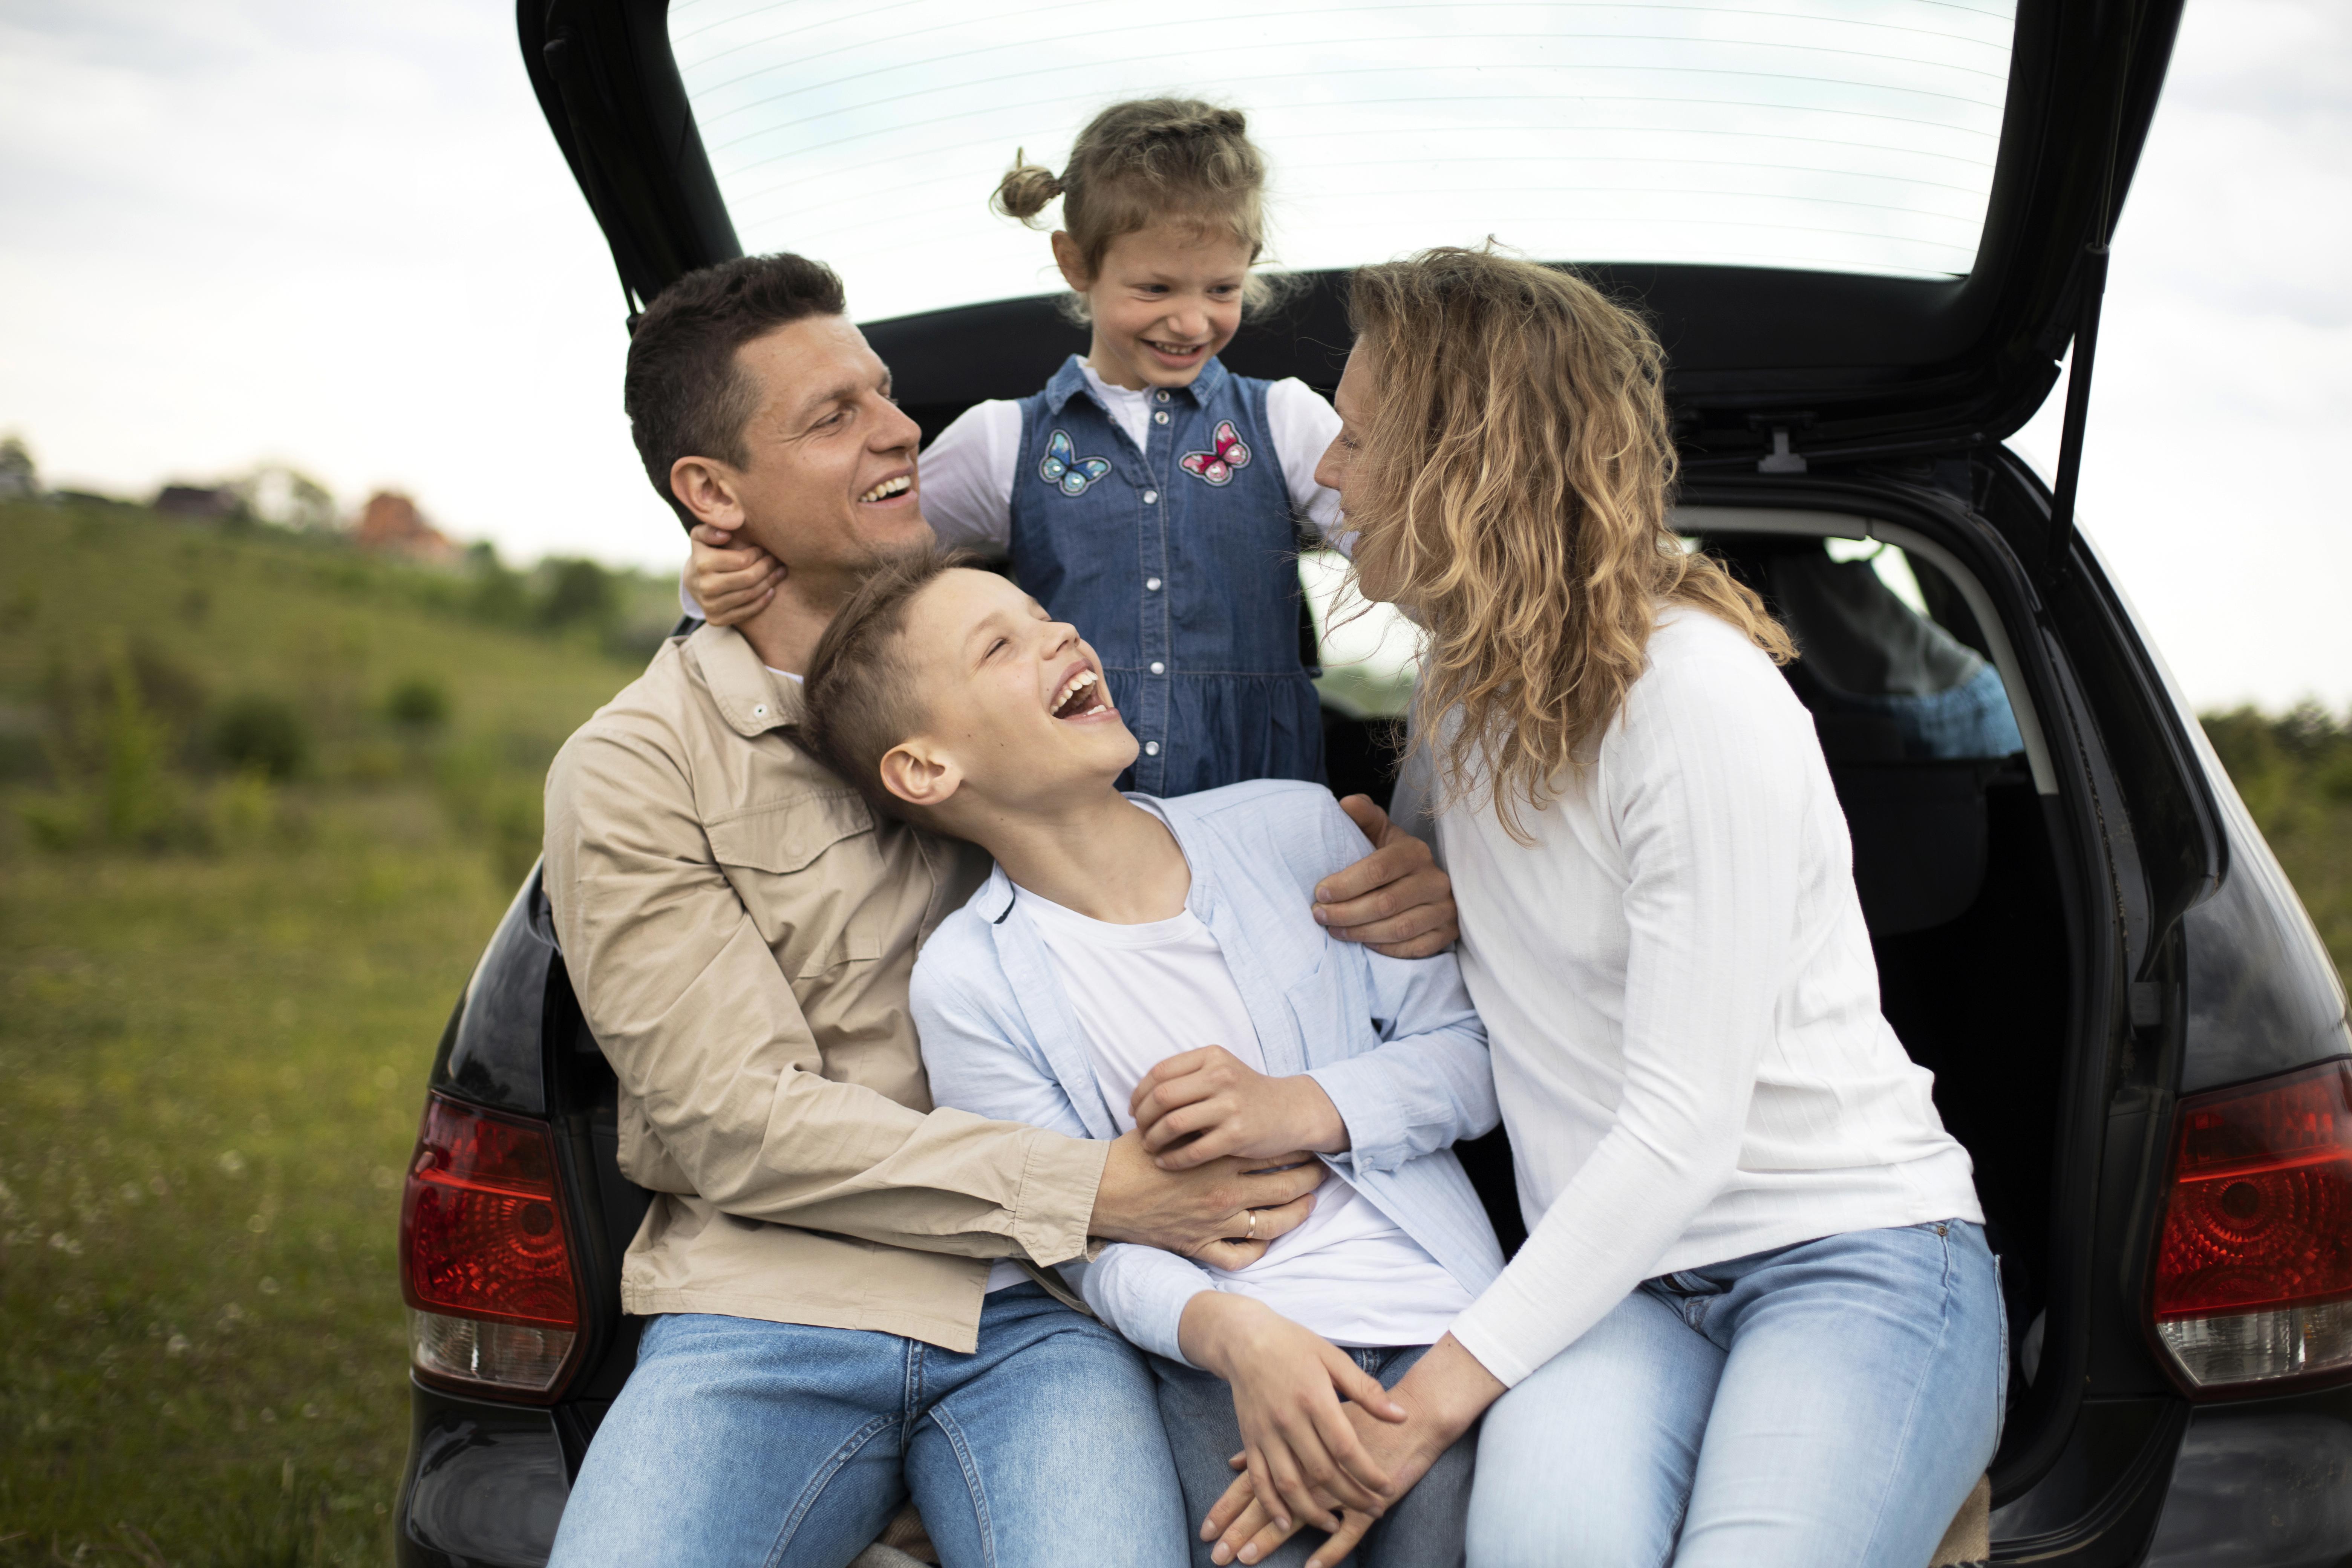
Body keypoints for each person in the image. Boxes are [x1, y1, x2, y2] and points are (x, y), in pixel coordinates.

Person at [537, 250, 1459, 1568]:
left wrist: (1417, 868)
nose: (900, 428)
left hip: (1053, 1316)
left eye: (885, 395)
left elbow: (1206, 817)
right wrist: (1097, 1188)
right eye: (833, 415)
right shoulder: (635, 768)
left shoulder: (1026, 647)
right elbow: (734, 1122)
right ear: (711, 493)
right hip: (776, 1308)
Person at [1200, 247, 2006, 1568]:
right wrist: (1427, 890)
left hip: (1848, 1258)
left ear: (1467, 462)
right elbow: (1464, 942)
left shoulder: (1694, 698)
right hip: (1614, 1287)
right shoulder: (1462, 689)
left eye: (1358, 435)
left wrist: (1419, 1413)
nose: (1330, 473)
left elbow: (1683, 1130)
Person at [790, 549, 1504, 1567]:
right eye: (1001, 645)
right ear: (926, 768)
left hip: (1441, 1324)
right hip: (1217, 1364)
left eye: (1045, 614)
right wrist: (1235, 1338)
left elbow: (1472, 1059)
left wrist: (1299, 1106)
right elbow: (1074, 1240)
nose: (1060, 636)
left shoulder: (1297, 827)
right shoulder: (971, 980)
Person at [684, 98, 1347, 799]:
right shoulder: (1003, 440)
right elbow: (851, 563)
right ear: (1075, 262)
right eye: (1155, 288)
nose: (1192, 320)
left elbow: (1416, 563)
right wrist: (707, 587)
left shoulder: (1286, 418)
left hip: (1271, 801)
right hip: (1076, 819)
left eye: (1222, 289)